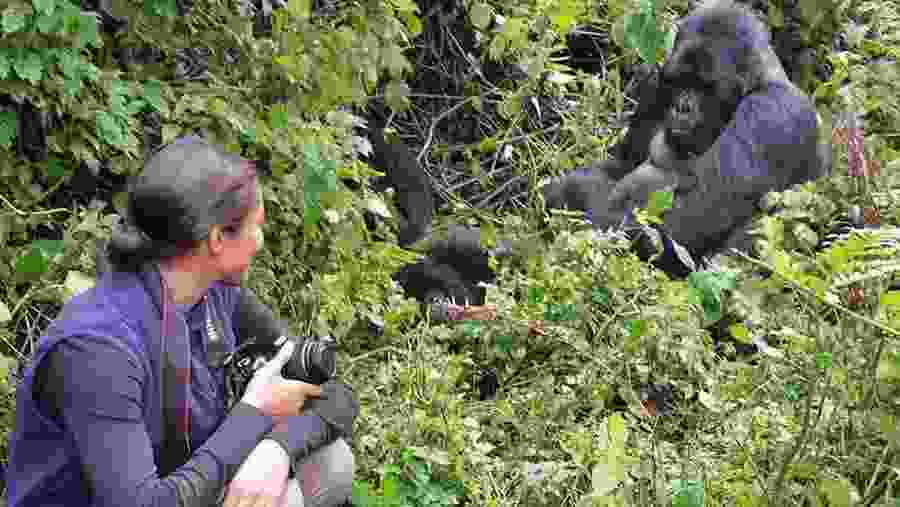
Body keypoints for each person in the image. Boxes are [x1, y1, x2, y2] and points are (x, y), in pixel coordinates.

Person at [5, 135, 359, 507]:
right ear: (217, 238)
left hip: (178, 482)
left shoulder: (215, 295)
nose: (259, 241)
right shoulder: (98, 349)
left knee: (329, 462)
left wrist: (277, 448)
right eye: (255, 226)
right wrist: (255, 413)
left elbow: (333, 394)